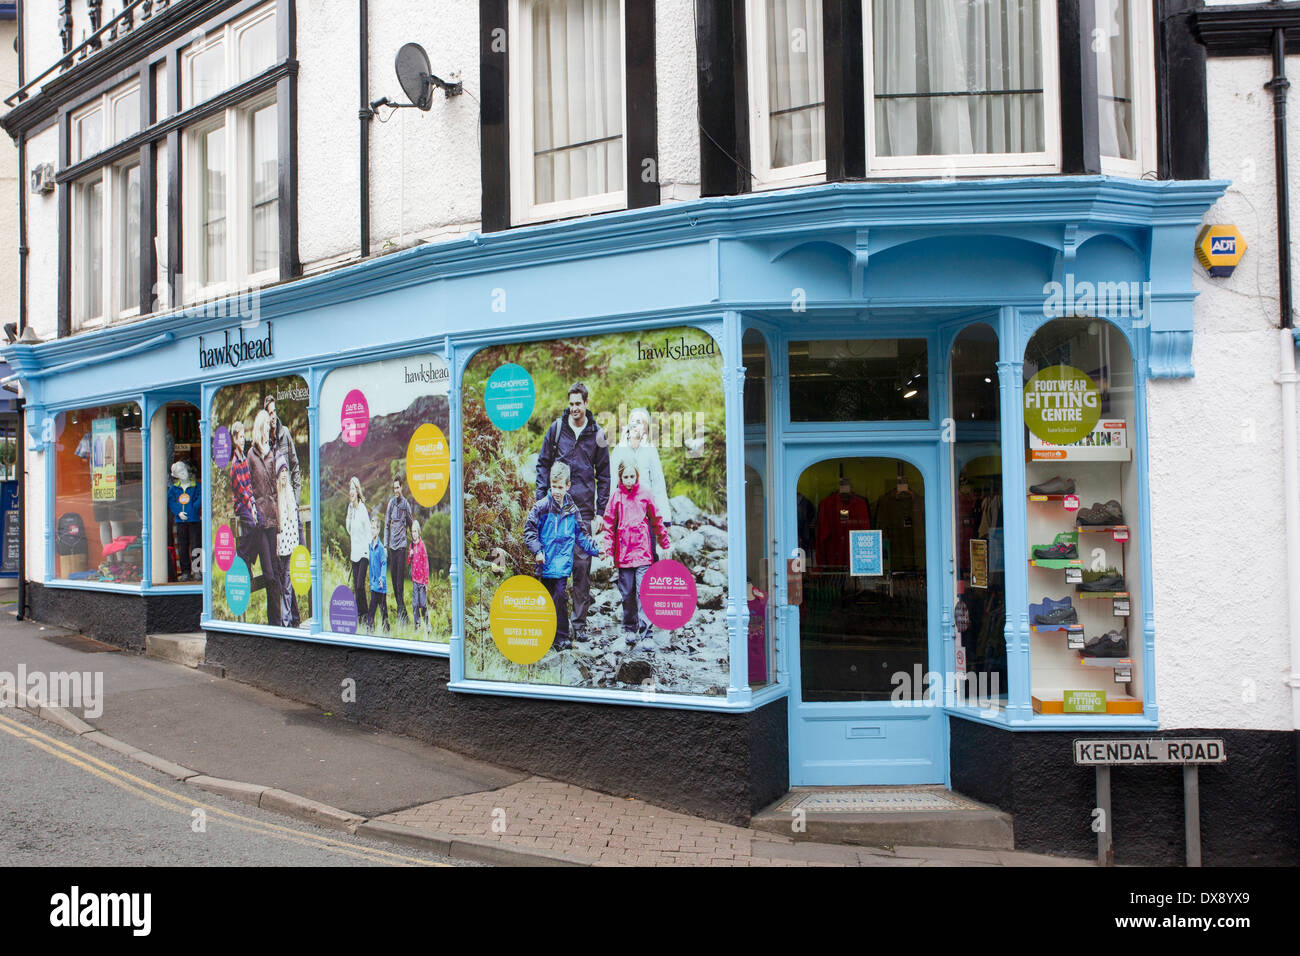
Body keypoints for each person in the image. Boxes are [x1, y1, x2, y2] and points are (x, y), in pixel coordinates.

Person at [535, 382, 610, 641]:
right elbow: (543, 465)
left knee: (581, 567)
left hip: (585, 510)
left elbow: (605, 476)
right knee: (553, 568)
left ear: (587, 404)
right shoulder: (556, 430)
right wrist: (540, 502)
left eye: (579, 403)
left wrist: (600, 513)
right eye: (571, 403)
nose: (575, 408)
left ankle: (579, 624)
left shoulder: (598, 435)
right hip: (555, 510)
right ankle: (556, 625)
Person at [524, 462, 601, 651]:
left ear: (568, 486)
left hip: (563, 564)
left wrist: (598, 549)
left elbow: (582, 535)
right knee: (545, 599)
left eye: (560, 487)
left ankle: (562, 636)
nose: (556, 491)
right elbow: (529, 530)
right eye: (553, 486)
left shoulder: (572, 511)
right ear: (550, 484)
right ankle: (545, 635)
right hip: (545, 562)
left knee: (560, 595)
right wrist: (537, 550)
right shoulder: (541, 507)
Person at [602, 460, 670, 647]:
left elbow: (656, 519)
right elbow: (608, 526)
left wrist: (665, 544)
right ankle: (630, 629)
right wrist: (608, 552)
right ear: (620, 477)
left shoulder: (645, 495)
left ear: (637, 476)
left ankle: (646, 633)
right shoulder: (615, 497)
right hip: (623, 556)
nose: (629, 480)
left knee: (643, 592)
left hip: (642, 552)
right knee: (627, 594)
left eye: (632, 476)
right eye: (626, 477)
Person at [265, 395, 302, 626]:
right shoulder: (264, 440)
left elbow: (296, 468)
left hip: (292, 513)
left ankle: (293, 618)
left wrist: (295, 502)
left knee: (293, 569)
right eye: (269, 413)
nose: (273, 416)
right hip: (277, 516)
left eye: (274, 412)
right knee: (282, 572)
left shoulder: (284, 434)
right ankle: (290, 620)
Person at [612, 407, 672, 538]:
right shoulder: (619, 449)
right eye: (632, 421)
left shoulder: (650, 450)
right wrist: (611, 516)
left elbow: (658, 485)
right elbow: (612, 484)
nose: (634, 424)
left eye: (639, 422)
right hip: (624, 512)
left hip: (646, 512)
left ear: (645, 428)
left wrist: (665, 517)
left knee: (649, 553)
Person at [247, 410, 282, 625]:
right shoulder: (251, 455)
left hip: (272, 521)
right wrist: (253, 510)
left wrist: (278, 524)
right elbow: (247, 488)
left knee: (276, 573)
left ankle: (275, 624)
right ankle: (274, 623)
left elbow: (275, 490)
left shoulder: (271, 454)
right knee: (269, 574)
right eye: (265, 429)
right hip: (259, 522)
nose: (267, 432)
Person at [229, 420, 260, 571]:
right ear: (235, 439)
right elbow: (241, 491)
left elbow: (249, 485)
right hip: (240, 505)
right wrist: (250, 506)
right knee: (253, 525)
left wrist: (253, 505)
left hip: (248, 502)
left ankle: (250, 556)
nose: (243, 440)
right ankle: (241, 554)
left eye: (244, 436)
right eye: (240, 437)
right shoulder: (235, 464)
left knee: (260, 521)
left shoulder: (244, 460)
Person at [384, 477, 414, 625]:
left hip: (402, 546)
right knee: (393, 582)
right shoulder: (390, 504)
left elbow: (411, 523)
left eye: (398, 487)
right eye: (394, 488)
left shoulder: (405, 504)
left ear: (401, 487)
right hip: (392, 547)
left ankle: (403, 618)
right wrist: (385, 545)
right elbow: (386, 525)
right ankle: (403, 614)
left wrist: (414, 545)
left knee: (399, 583)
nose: (396, 490)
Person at [274, 454, 299, 626]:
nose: (284, 474)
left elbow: (295, 521)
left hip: (290, 546)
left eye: (285, 471)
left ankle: (286, 622)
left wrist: (296, 544)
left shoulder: (290, 493)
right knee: (281, 585)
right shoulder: (276, 496)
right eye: (281, 471)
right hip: (278, 548)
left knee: (288, 586)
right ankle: (286, 618)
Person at [167, 460, 202, 581]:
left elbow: (200, 498)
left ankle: (197, 570)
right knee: (182, 546)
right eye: (180, 472)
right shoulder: (174, 489)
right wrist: (178, 512)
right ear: (176, 475)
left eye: (184, 470)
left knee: (196, 545)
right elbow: (171, 501)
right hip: (180, 521)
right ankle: (185, 571)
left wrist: (193, 508)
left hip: (194, 520)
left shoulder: (196, 486)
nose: (184, 473)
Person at [345, 477, 371, 612]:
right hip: (354, 553)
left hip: (364, 553)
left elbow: (368, 531)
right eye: (350, 489)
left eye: (354, 489)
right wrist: (349, 515)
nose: (351, 491)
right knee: (356, 586)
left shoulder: (362, 509)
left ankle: (366, 615)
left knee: (360, 585)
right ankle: (361, 616)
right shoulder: (351, 509)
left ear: (358, 491)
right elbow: (349, 530)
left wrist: (368, 552)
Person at [366, 512, 389, 633]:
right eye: (371, 528)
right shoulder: (370, 546)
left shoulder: (380, 547)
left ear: (378, 530)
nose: (372, 530)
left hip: (381, 586)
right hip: (374, 585)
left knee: (383, 611)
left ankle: (386, 632)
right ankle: (370, 631)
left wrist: (382, 578)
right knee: (371, 610)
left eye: (374, 528)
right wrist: (371, 581)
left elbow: (384, 564)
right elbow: (371, 566)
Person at [409, 519, 430, 634]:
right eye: (412, 532)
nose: (414, 534)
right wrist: (410, 555)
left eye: (415, 532)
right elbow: (408, 562)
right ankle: (417, 626)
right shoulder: (411, 545)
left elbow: (426, 564)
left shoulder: (422, 546)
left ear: (419, 532)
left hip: (422, 581)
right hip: (414, 580)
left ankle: (427, 624)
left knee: (422, 604)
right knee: (414, 604)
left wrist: (426, 581)